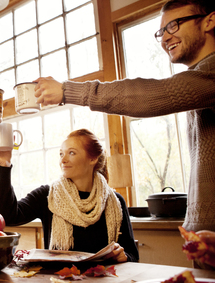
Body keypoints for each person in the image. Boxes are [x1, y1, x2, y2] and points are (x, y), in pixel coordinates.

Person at [34, 0, 215, 233]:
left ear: (209, 21)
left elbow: (150, 96)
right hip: (205, 236)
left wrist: (66, 91)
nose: (165, 38)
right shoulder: (200, 78)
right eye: (161, 32)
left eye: (174, 25)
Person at [0, 128, 139, 263]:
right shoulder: (48, 195)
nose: (63, 160)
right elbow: (8, 215)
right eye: (61, 154)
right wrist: (4, 165)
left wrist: (124, 256)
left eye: (71, 153)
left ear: (93, 159)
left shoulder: (115, 201)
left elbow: (132, 253)